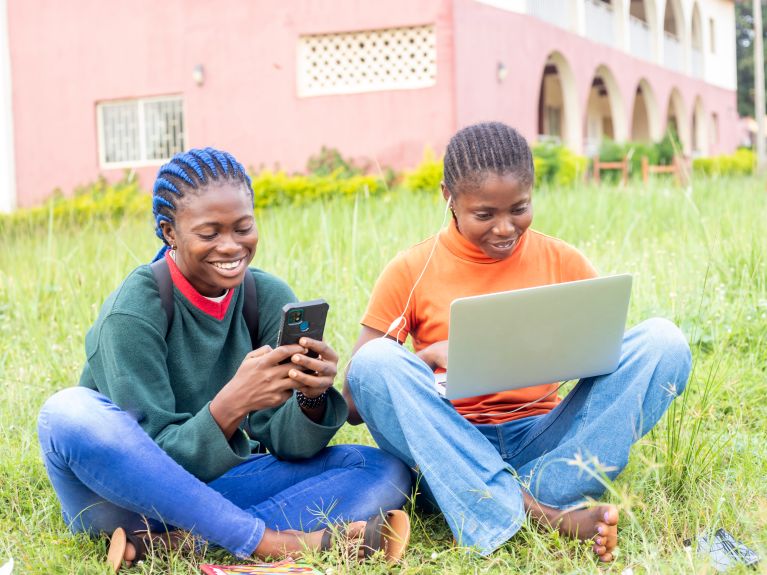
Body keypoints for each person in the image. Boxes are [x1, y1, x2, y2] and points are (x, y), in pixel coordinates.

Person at [37, 147, 411, 572]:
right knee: (65, 412)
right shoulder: (135, 310)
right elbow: (151, 463)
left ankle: (184, 542)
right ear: (169, 232)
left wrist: (310, 398)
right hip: (125, 497)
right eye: (210, 233)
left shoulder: (266, 298)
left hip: (218, 485)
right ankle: (268, 543)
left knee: (381, 469)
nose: (231, 246)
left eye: (243, 228)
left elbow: (289, 447)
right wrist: (232, 404)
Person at [343, 122, 692, 563]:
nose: (505, 229)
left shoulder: (561, 260)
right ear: (446, 197)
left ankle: (491, 501)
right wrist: (426, 357)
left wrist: (567, 353)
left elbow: (606, 360)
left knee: (664, 341)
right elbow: (355, 400)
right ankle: (544, 514)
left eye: (520, 209)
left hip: (544, 441)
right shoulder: (410, 269)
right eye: (484, 215)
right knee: (375, 360)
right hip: (447, 443)